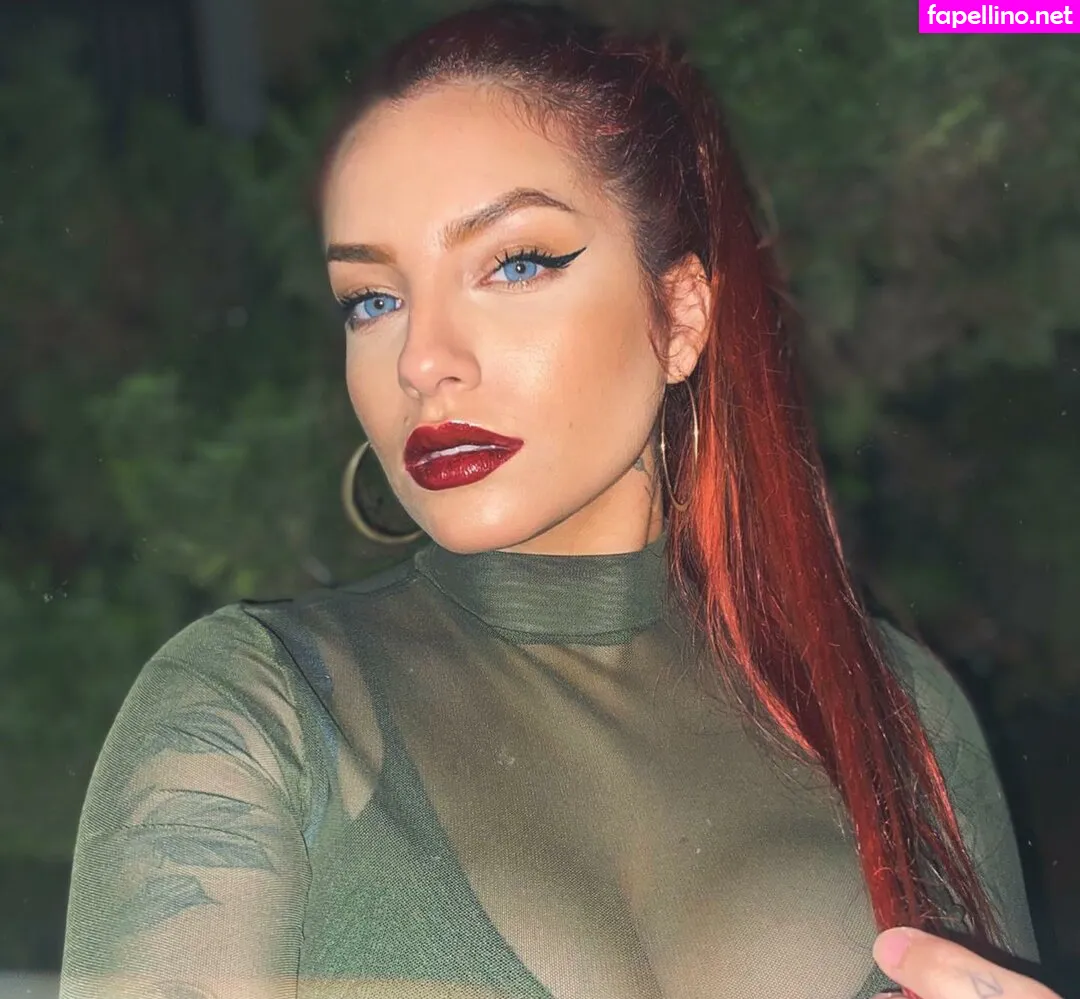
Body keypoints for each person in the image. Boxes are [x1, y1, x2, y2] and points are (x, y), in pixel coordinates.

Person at [59, 3, 1063, 998]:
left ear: (679, 317)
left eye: (515, 264)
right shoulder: (254, 713)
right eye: (374, 299)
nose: (422, 360)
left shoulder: (897, 711)